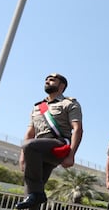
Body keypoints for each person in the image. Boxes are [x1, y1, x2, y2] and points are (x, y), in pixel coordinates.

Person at [15, 73, 83, 209]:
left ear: (62, 86)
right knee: (31, 196)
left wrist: (71, 155)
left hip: (58, 145)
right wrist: (23, 156)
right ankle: (36, 195)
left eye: (52, 80)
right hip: (38, 150)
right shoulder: (37, 107)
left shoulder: (69, 103)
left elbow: (78, 129)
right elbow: (30, 133)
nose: (47, 81)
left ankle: (37, 193)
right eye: (46, 80)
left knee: (30, 147)